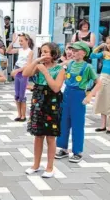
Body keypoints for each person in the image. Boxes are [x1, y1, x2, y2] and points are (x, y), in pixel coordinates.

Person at [23, 42, 64, 178]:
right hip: (38, 100)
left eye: (46, 52)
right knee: (38, 135)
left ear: (53, 54)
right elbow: (25, 73)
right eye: (42, 52)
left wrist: (45, 72)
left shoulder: (60, 69)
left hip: (51, 102)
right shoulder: (39, 66)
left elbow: (56, 88)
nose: (43, 55)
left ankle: (50, 167)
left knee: (50, 136)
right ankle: (36, 164)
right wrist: (36, 61)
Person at [55, 41, 101, 163]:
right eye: (72, 50)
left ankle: (77, 152)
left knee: (77, 124)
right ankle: (63, 148)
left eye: (76, 51)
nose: (73, 53)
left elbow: (99, 83)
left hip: (79, 95)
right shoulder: (69, 64)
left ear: (84, 53)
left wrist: (90, 95)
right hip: (67, 94)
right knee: (63, 122)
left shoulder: (88, 67)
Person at [7, 33, 34, 121]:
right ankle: (19, 114)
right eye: (19, 41)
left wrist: (17, 71)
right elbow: (8, 51)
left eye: (21, 41)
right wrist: (13, 42)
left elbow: (28, 65)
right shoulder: (20, 50)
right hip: (17, 71)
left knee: (22, 94)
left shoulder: (30, 52)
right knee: (17, 94)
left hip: (23, 72)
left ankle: (23, 115)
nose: (20, 43)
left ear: (27, 41)